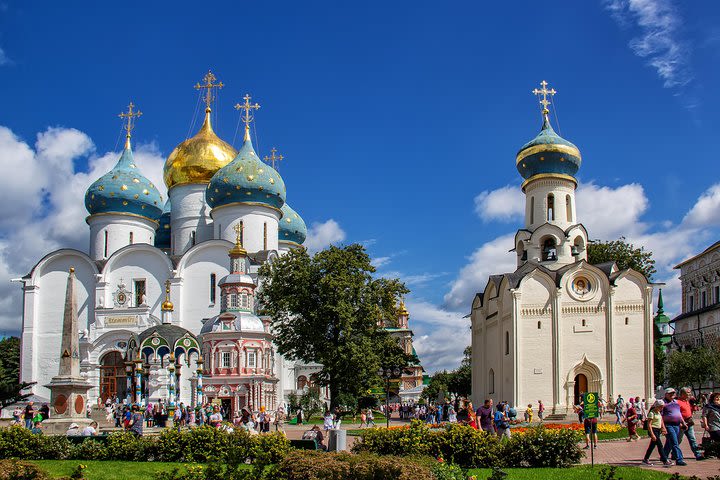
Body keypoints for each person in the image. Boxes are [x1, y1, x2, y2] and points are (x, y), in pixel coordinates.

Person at [676, 387, 704, 460]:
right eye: (688, 392)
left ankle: (697, 454)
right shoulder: (677, 402)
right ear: (682, 394)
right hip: (681, 423)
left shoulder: (688, 401)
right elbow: (676, 413)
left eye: (690, 392)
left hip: (689, 422)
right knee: (678, 440)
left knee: (692, 439)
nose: (690, 394)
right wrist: (680, 423)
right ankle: (674, 453)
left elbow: (692, 410)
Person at [661, 388, 687, 466]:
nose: (672, 395)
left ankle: (664, 456)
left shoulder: (675, 402)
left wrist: (683, 422)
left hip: (676, 425)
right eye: (670, 393)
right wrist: (663, 427)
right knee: (674, 442)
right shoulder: (663, 403)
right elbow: (661, 416)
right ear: (666, 394)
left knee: (670, 442)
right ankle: (679, 459)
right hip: (668, 425)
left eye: (673, 393)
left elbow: (679, 414)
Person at [642, 400, 672, 466]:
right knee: (660, 445)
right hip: (653, 430)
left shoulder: (658, 413)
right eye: (661, 407)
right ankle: (665, 460)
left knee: (652, 446)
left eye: (662, 407)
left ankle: (645, 459)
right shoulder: (651, 413)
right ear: (657, 406)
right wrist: (652, 434)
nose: (662, 408)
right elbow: (649, 424)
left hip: (658, 430)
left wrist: (663, 428)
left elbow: (661, 421)